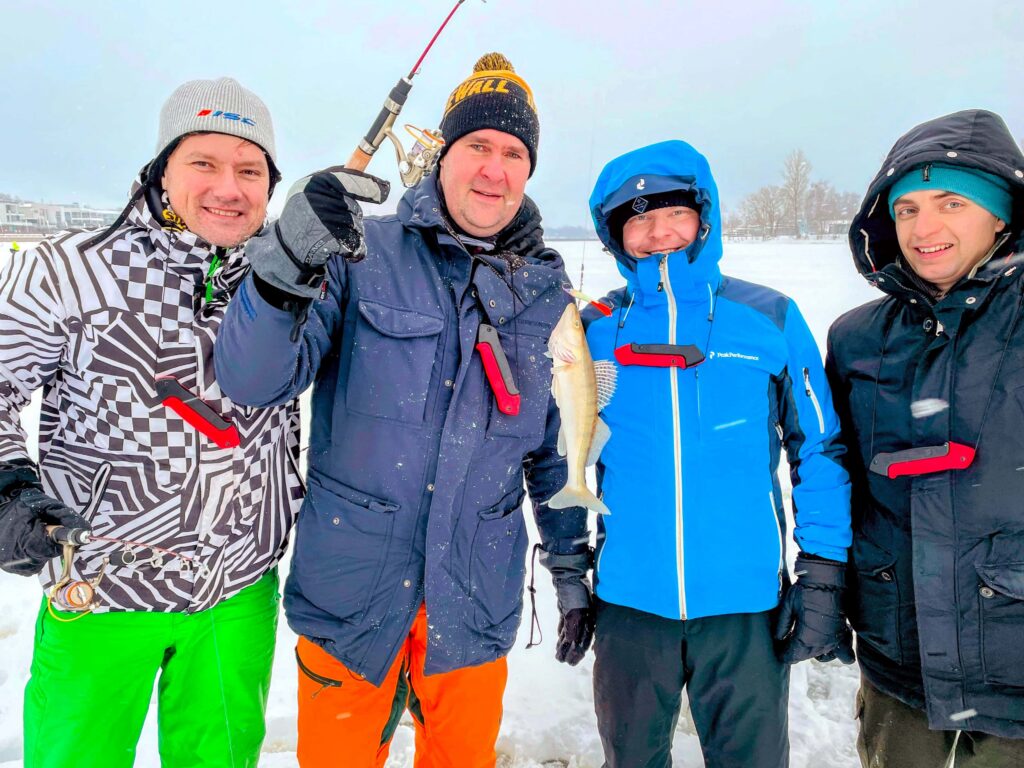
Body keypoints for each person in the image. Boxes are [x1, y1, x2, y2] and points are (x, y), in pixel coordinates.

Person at [214, 53, 591, 768]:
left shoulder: (547, 295)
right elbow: (253, 380)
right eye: (477, 145)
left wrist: (569, 567)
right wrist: (287, 260)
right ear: (443, 154)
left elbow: (552, 452)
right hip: (352, 597)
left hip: (472, 602)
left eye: (514, 153)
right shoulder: (360, 252)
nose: (494, 168)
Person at [0, 77, 303, 768]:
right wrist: (7, 487)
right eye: (204, 162)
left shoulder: (284, 280)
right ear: (162, 170)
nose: (228, 187)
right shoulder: (69, 272)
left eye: (250, 169)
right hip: (99, 586)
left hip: (238, 592)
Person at [583, 139, 854, 768]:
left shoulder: (768, 317)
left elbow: (819, 449)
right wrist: (570, 573)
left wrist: (822, 573)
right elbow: (562, 450)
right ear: (615, 235)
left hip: (745, 604)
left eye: (674, 213)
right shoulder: (594, 327)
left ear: (704, 217)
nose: (659, 233)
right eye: (639, 220)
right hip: (629, 604)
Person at [826, 109, 1024, 767]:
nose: (923, 228)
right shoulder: (856, 338)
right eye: (906, 209)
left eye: (952, 203)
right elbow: (842, 483)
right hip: (899, 663)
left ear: (1002, 215)